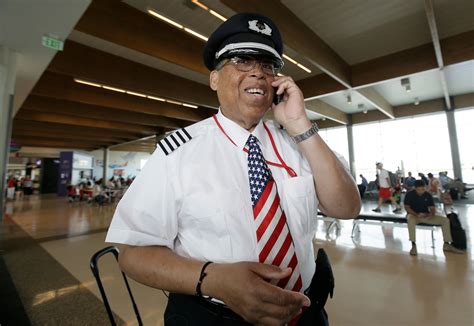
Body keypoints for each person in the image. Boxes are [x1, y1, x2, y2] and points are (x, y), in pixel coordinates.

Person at [106, 13, 360, 326]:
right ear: (214, 78)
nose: (257, 73)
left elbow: (347, 207)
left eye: (267, 65)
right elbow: (133, 253)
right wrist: (214, 279)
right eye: (242, 60)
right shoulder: (177, 153)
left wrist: (300, 124)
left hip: (305, 314)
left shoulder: (299, 144)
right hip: (214, 318)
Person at [404, 180, 464, 256]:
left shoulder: (427, 195)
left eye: (423, 189)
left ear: (425, 188)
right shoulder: (409, 194)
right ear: (415, 189)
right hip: (414, 215)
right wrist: (416, 214)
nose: (421, 191)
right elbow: (407, 207)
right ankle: (413, 245)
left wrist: (431, 214)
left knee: (445, 220)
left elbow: (432, 207)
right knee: (410, 219)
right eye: (419, 190)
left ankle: (446, 244)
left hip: (425, 215)